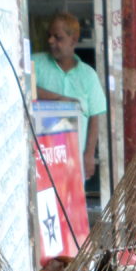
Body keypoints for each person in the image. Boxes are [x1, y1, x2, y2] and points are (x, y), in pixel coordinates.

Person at [33, 11, 107, 178]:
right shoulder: (35, 64)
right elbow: (23, 89)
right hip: (41, 158)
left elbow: (96, 116)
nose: (51, 41)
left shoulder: (88, 75)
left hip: (74, 159)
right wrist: (59, 99)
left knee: (70, 203)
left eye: (58, 37)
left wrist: (89, 155)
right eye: (49, 36)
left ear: (73, 40)